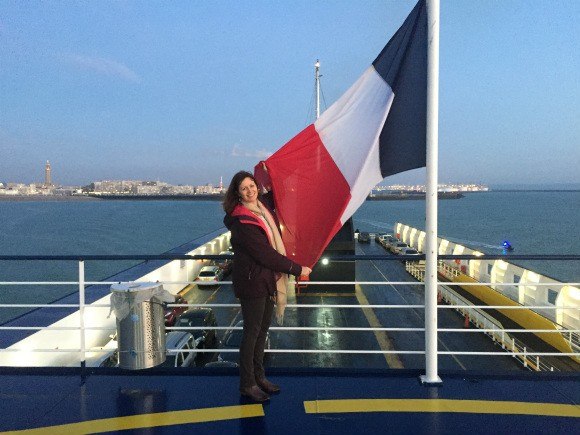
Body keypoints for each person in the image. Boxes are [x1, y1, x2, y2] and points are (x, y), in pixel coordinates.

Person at [223, 170, 311, 402]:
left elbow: (278, 193)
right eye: (244, 188)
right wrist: (297, 269)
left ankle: (259, 377)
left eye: (252, 186)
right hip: (253, 282)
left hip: (266, 279)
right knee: (251, 334)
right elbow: (265, 255)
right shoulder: (242, 220)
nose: (250, 191)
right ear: (237, 194)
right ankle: (247, 383)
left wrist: (274, 172)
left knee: (262, 332)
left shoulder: (261, 210)